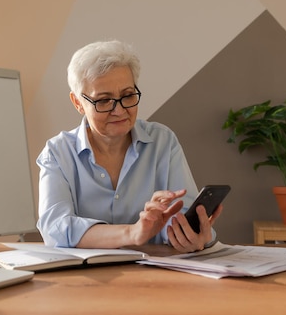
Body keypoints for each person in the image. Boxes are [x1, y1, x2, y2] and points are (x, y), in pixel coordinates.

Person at [36, 40, 222, 252]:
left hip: (155, 276)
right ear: (78, 103)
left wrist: (189, 234)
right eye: (104, 101)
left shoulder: (163, 141)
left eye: (127, 95)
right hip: (86, 280)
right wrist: (133, 232)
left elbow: (183, 215)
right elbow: (55, 228)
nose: (119, 110)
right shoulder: (57, 153)